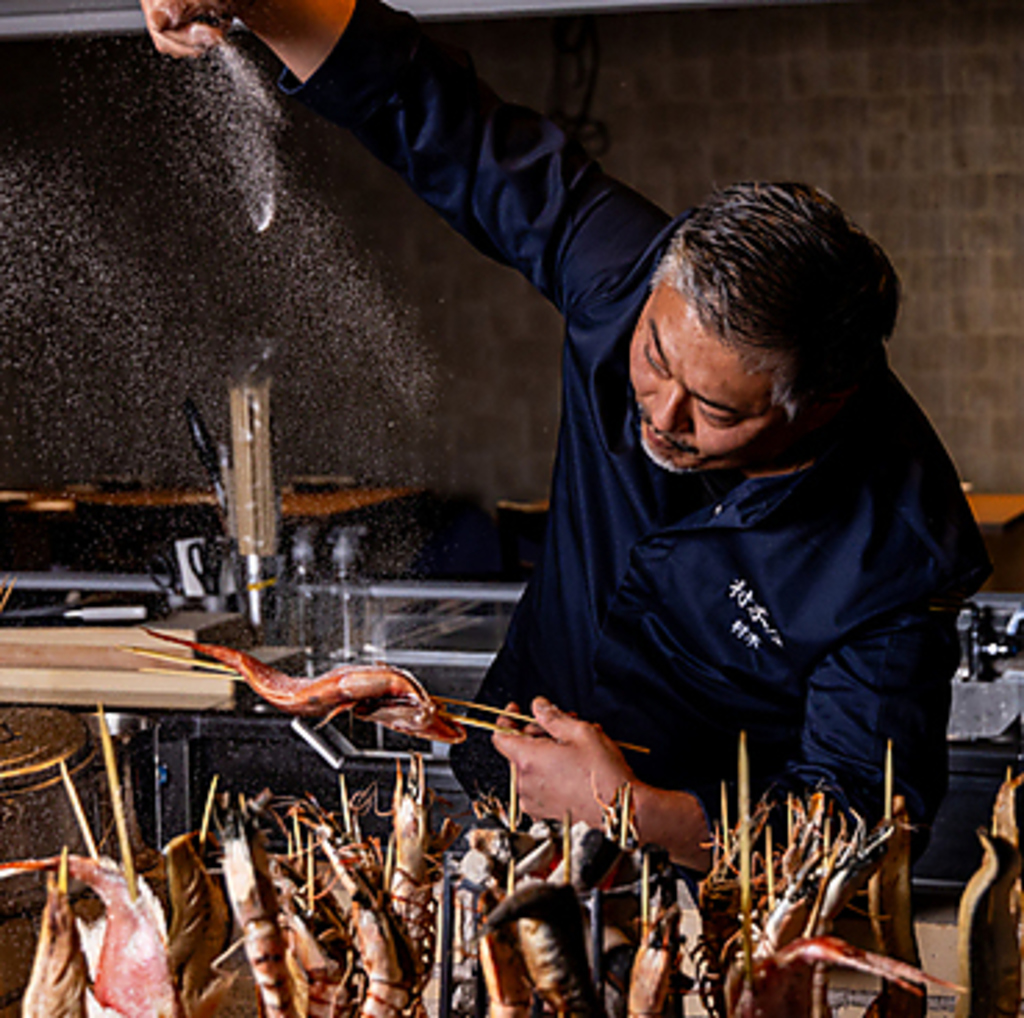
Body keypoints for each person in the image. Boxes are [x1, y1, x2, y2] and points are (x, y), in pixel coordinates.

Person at [140, 0, 990, 872]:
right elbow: (441, 119)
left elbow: (858, 823)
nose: (660, 417)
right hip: (505, 817)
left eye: (719, 412)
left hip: (710, 897)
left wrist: (634, 812)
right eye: (655, 359)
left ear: (822, 404)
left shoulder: (898, 551)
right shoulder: (624, 277)